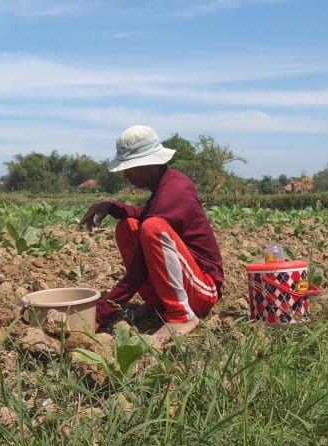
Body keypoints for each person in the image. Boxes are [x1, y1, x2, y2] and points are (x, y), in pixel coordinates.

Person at [79, 124, 224, 342]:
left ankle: (181, 315)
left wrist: (100, 312)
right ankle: (159, 303)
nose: (127, 174)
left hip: (204, 288)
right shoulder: (166, 184)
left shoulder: (175, 191)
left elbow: (139, 268)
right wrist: (112, 207)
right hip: (188, 283)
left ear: (152, 163)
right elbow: (146, 213)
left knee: (151, 228)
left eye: (132, 167)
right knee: (127, 226)